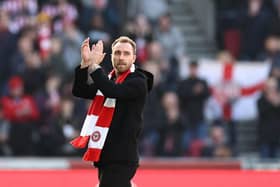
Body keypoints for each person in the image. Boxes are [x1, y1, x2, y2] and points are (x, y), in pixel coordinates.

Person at [71, 36, 153, 187]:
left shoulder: (138, 81)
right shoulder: (109, 79)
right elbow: (80, 90)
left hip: (122, 158)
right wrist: (85, 64)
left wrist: (95, 67)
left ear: (134, 58)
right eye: (117, 53)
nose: (121, 57)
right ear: (111, 56)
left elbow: (112, 91)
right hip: (105, 155)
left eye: (126, 54)